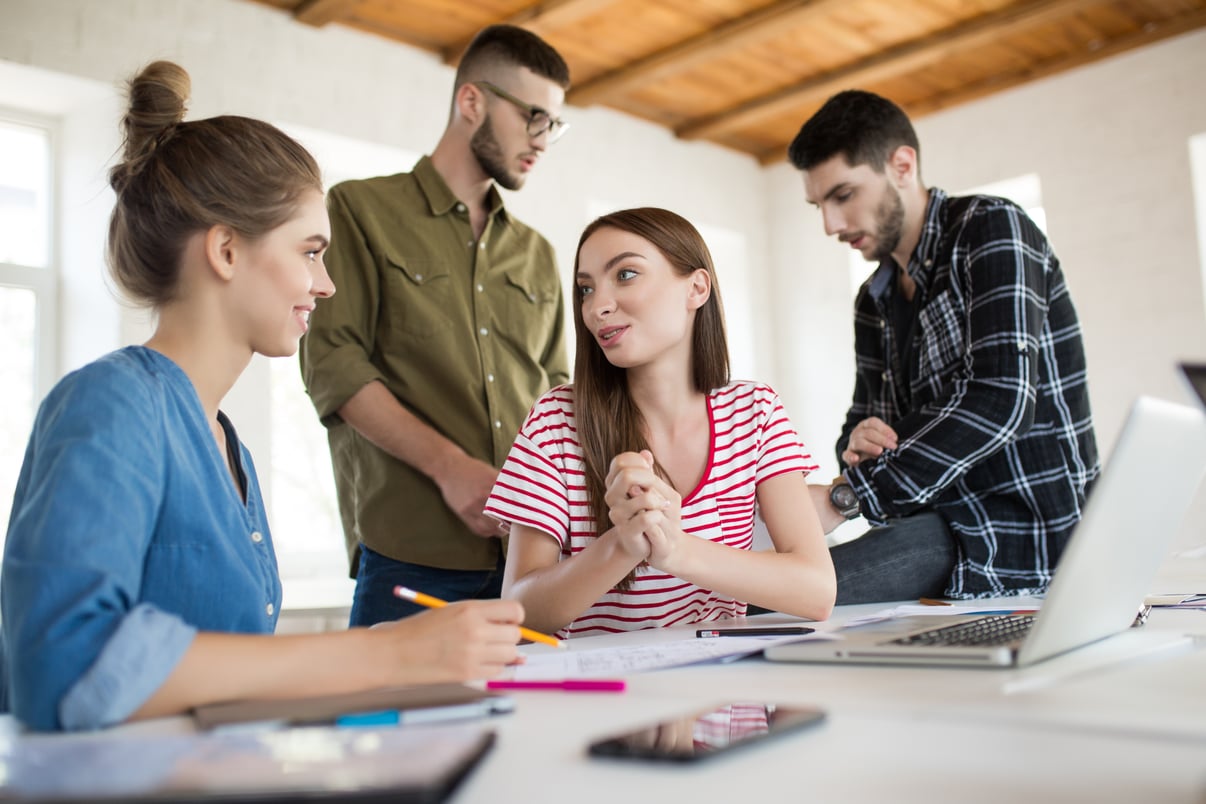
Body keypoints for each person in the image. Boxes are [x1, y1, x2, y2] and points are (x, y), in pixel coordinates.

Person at [0, 61, 525, 733]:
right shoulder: (111, 404)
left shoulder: (228, 445)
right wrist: (384, 652)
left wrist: (395, 677)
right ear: (225, 250)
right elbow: (63, 667)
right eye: (310, 251)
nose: (326, 283)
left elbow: (219, 688)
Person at [300, 25, 571, 627]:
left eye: (553, 124)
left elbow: (558, 396)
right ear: (471, 101)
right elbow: (333, 364)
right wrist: (452, 469)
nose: (542, 140)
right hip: (411, 558)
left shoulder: (538, 255)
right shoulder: (358, 210)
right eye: (533, 117)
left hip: (533, 564)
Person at [787, 90, 1100, 604]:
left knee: (782, 594)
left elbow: (1002, 400)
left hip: (1024, 533)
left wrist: (846, 497)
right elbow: (859, 427)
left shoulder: (991, 229)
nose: (830, 225)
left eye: (843, 195)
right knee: (772, 585)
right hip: (930, 521)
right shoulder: (872, 301)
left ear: (902, 166)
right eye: (819, 205)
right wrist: (857, 442)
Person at [482, 208, 836, 638]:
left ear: (696, 288)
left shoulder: (754, 411)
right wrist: (622, 544)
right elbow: (518, 611)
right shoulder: (555, 421)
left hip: (727, 676)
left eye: (625, 274)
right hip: (603, 680)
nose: (597, 307)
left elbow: (816, 591)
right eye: (586, 289)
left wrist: (675, 549)